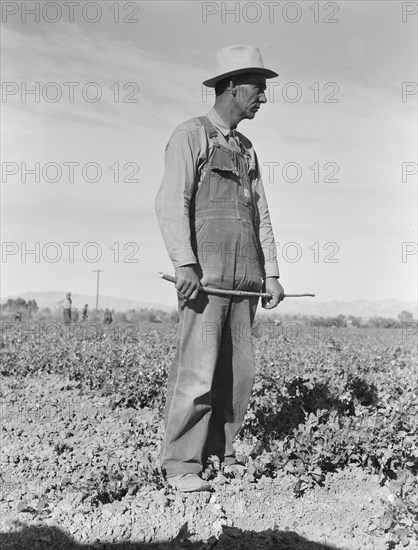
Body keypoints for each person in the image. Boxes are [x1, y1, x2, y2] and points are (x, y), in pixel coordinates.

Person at [155, 45, 284, 493]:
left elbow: (261, 216)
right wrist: (184, 263)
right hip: (204, 283)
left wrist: (271, 274)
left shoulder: (247, 150)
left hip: (245, 284)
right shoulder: (191, 135)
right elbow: (172, 202)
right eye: (258, 88)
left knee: (238, 375)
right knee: (197, 372)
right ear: (232, 86)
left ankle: (222, 453)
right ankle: (181, 465)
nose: (263, 98)